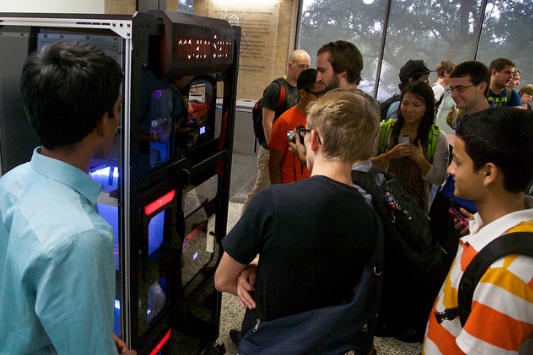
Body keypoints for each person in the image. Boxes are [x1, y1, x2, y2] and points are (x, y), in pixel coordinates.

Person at [215, 90, 381, 350]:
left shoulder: (273, 202)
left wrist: (256, 272)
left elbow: (222, 279)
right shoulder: (369, 215)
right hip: (326, 343)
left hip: (269, 342)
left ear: (313, 139)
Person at [0, 41, 136, 354]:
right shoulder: (84, 237)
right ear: (102, 123)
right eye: (117, 110)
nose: (118, 121)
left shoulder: (10, 183)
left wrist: (94, 335)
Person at [422, 107, 533, 355]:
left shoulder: (507, 274)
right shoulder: (489, 229)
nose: (450, 170)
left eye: (458, 162)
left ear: (489, 173)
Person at [429, 61, 492, 256]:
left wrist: (482, 217)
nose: (455, 94)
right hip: (447, 199)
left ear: (481, 87)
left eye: (461, 88)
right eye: (452, 89)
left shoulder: (497, 127)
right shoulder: (464, 119)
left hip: (469, 210)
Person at [242, 49, 310, 212]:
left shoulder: (300, 89)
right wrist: (275, 150)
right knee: (261, 190)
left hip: (288, 150)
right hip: (272, 150)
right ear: (289, 65)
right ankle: (245, 222)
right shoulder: (275, 88)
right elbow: (267, 122)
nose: (305, 71)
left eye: (307, 67)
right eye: (301, 66)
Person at [372, 81, 449, 212]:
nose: (409, 110)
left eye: (416, 105)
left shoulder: (438, 138)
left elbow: (439, 179)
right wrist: (389, 155)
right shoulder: (385, 129)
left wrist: (420, 160)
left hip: (416, 209)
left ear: (428, 107)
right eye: (405, 103)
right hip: (381, 202)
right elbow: (365, 163)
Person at [268, 68, 324, 184]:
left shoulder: (323, 120)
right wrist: (279, 194)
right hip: (290, 189)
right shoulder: (285, 122)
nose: (322, 99)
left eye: (324, 93)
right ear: (303, 93)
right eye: (318, 94)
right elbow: (274, 163)